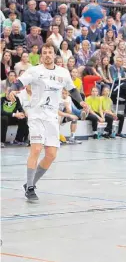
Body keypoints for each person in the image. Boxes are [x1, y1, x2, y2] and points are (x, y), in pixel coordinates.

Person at [9, 43, 88, 201]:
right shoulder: (35, 70)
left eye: (50, 52)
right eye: (44, 52)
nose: (47, 55)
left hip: (52, 117)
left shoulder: (63, 73)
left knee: (51, 155)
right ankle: (30, 188)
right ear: (41, 56)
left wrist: (82, 102)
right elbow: (19, 82)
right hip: (36, 115)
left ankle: (30, 183)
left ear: (54, 55)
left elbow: (72, 90)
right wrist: (12, 89)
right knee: (36, 149)